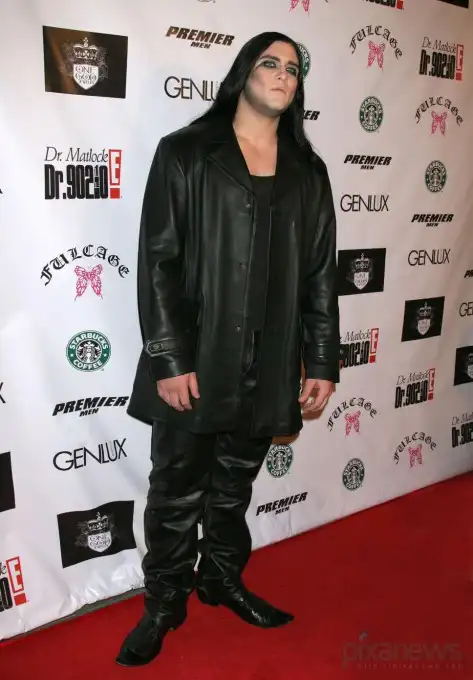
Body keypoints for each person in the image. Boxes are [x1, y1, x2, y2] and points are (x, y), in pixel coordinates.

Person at [116, 31, 340, 667]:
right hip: (199, 357)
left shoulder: (308, 170)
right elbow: (158, 262)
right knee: (176, 491)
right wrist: (169, 357)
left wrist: (322, 360)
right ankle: (164, 604)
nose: (283, 74)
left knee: (234, 485)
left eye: (293, 68)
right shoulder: (186, 152)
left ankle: (220, 578)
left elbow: (321, 274)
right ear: (243, 73)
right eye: (270, 62)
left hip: (271, 361)